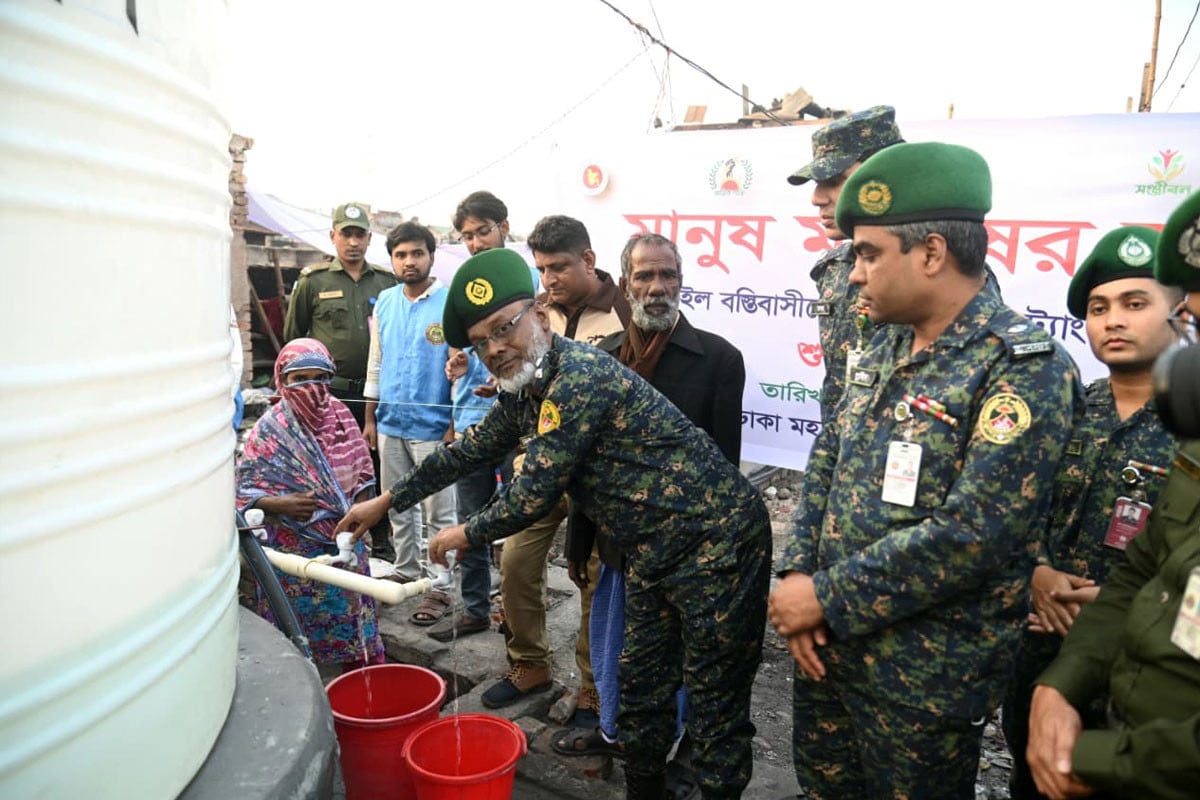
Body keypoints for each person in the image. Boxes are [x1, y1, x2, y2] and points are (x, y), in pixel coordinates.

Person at [336, 247, 772, 800]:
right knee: (640, 690)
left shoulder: (578, 378)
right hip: (653, 556)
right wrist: (387, 500)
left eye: (503, 328)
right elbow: (467, 450)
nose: (495, 349)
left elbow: (532, 494)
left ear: (539, 314)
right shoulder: (529, 390)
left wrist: (462, 534)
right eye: (480, 343)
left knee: (715, 709)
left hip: (719, 550)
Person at [768, 142, 1084, 799]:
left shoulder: (1023, 367)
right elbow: (829, 450)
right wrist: (800, 571)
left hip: (920, 681)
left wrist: (824, 597)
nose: (854, 274)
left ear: (932, 253)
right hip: (827, 648)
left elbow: (975, 534)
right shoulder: (880, 340)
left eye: (869, 254)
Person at [551, 232, 745, 799]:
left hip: (686, 556)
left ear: (681, 281)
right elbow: (582, 468)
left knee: (680, 666)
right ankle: (623, 745)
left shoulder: (719, 359)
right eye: (644, 276)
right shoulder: (598, 359)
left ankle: (675, 754)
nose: (657, 288)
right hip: (615, 547)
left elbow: (725, 474)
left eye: (668, 275)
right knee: (617, 658)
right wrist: (577, 544)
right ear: (626, 282)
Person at [1026, 191, 1200, 800]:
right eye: (1098, 308)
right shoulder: (1061, 408)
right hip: (1045, 648)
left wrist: (1131, 602)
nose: (1113, 320)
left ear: (1179, 313)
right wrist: (1037, 571)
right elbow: (1015, 510)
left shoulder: (1185, 422)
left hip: (1149, 677)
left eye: (1134, 303)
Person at [485, 214, 631, 717]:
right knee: (515, 562)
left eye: (558, 268)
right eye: (541, 269)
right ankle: (530, 663)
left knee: (592, 576)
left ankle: (591, 686)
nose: (548, 281)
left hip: (598, 479)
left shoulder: (627, 314)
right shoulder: (537, 312)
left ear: (588, 260)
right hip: (540, 467)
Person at [236, 338, 385, 670]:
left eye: (320, 378)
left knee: (352, 621)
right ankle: (299, 674)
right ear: (282, 380)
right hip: (292, 555)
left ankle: (357, 679)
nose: (311, 388)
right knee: (296, 630)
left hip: (345, 543)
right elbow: (243, 490)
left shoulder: (343, 418)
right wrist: (280, 504)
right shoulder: (269, 430)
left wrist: (359, 517)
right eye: (299, 379)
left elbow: (364, 474)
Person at [283, 201, 398, 562]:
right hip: (326, 393)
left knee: (375, 465)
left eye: (360, 234)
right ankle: (327, 533)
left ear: (369, 238)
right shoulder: (312, 282)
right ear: (333, 236)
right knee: (326, 462)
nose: (353, 242)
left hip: (372, 395)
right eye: (345, 234)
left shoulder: (386, 282)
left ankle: (380, 537)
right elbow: (294, 341)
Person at [363, 221, 461, 626]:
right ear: (391, 260)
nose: (409, 261)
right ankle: (405, 572)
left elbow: (460, 368)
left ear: (431, 257)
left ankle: (441, 586)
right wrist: (370, 418)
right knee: (397, 504)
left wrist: (455, 423)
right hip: (389, 423)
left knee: (440, 512)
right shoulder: (385, 300)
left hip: (435, 424)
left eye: (416, 253)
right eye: (401, 255)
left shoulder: (450, 303)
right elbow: (377, 360)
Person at [786, 106, 904, 420]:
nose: (817, 198)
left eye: (836, 180)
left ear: (884, 179)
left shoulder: (935, 273)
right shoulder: (832, 269)